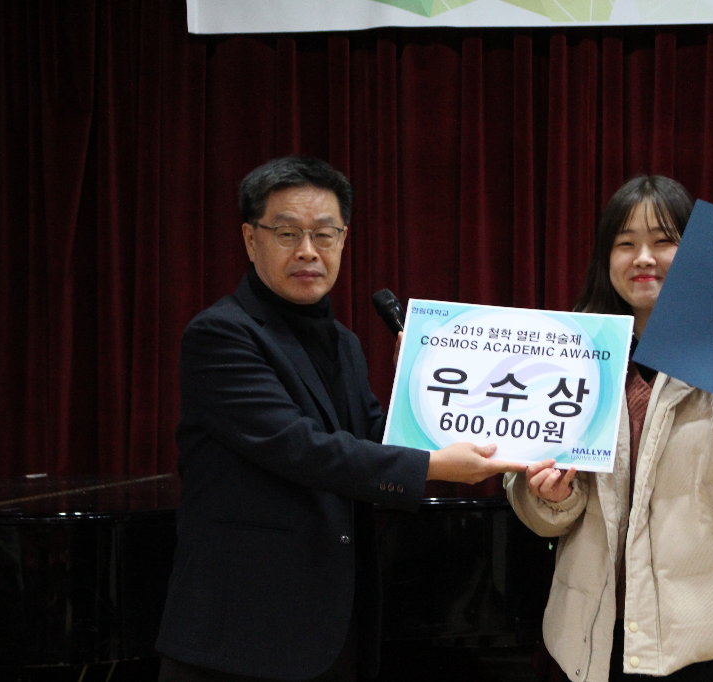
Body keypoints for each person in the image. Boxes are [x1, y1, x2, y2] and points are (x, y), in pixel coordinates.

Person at [156, 156, 523, 682]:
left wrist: (425, 390)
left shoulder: (344, 343)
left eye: (325, 234)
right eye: (288, 233)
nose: (309, 251)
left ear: (343, 240)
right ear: (250, 239)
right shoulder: (221, 335)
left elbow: (374, 435)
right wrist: (431, 467)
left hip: (330, 628)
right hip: (240, 633)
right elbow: (300, 447)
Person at [505, 176, 713, 681]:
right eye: (625, 243)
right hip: (600, 647)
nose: (644, 258)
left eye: (664, 241)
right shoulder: (571, 359)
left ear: (698, 253)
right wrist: (552, 498)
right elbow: (538, 513)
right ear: (606, 259)